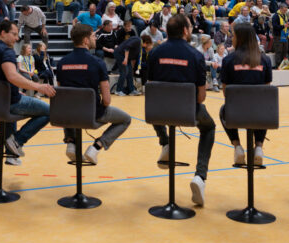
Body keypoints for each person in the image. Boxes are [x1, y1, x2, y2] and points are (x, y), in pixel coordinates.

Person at [146, 14, 215, 206]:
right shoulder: (196, 56)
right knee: (209, 128)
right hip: (187, 112)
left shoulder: (155, 53)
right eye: (191, 27)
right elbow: (201, 98)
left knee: (156, 105)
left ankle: (165, 142)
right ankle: (200, 177)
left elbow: (151, 87)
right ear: (185, 31)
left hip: (159, 112)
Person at [0, 20, 55, 166]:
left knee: (13, 108)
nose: (17, 38)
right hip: (8, 102)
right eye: (14, 34)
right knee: (50, 111)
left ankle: (11, 155)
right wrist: (38, 87)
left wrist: (17, 90)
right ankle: (17, 141)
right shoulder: (6, 51)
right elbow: (12, 76)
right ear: (3, 33)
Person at [56, 23, 131, 164]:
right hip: (91, 116)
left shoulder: (62, 63)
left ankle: (71, 141)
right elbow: (107, 101)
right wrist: (101, 106)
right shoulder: (97, 63)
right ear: (85, 40)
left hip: (69, 117)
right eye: (92, 36)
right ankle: (97, 146)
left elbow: (61, 96)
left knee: (69, 106)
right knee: (126, 119)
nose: (95, 38)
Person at [220, 23, 273, 166]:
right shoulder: (265, 60)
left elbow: (226, 93)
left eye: (234, 35)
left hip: (237, 112)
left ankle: (237, 146)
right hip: (259, 113)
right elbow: (266, 91)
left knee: (223, 110)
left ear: (240, 38)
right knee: (263, 107)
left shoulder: (228, 60)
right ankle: (259, 147)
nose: (232, 38)